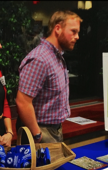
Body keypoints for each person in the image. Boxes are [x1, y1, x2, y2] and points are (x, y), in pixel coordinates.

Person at [16, 10, 82, 143]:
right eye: (73, 31)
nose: (77, 37)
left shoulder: (56, 56)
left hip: (53, 129)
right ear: (58, 29)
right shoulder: (40, 59)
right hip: (41, 132)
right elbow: (22, 101)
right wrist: (37, 134)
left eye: (78, 32)